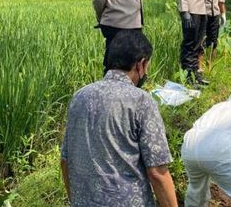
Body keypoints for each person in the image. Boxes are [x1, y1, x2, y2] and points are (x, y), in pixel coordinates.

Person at [60, 30, 177, 207]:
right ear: (141, 64)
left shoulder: (79, 97)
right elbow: (157, 173)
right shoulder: (141, 101)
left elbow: (65, 161)